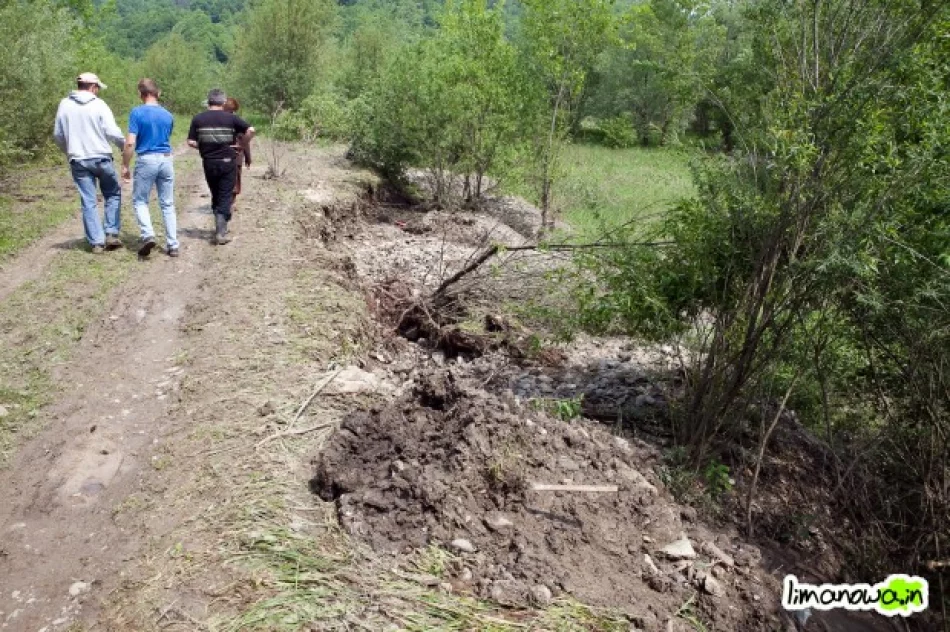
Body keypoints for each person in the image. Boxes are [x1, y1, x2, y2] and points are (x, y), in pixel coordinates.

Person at [53, 72, 126, 254]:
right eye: (98, 88)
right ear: (93, 87)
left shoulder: (65, 104)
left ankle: (96, 243)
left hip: (78, 159)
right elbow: (112, 131)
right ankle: (110, 233)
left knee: (88, 200)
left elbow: (58, 135)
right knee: (112, 194)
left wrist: (68, 151)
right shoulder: (99, 104)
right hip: (101, 156)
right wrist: (124, 147)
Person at [187, 89, 255, 245]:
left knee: (216, 193)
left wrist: (203, 148)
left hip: (208, 162)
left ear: (208, 101)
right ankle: (221, 231)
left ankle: (220, 223)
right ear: (223, 102)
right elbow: (251, 130)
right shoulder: (231, 118)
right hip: (227, 161)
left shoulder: (198, 119)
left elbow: (190, 142)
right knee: (225, 195)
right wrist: (242, 145)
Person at [121, 78, 178, 258]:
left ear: (140, 94)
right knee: (167, 203)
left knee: (140, 200)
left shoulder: (136, 113)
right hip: (166, 159)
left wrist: (124, 165)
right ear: (158, 93)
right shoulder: (168, 115)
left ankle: (148, 235)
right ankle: (173, 244)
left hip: (146, 159)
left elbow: (130, 143)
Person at [222, 97, 252, 211]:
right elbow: (246, 140)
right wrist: (248, 158)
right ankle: (230, 202)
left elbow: (245, 140)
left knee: (230, 179)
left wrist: (248, 158)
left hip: (228, 155)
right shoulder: (239, 122)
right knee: (234, 179)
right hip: (235, 155)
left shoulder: (225, 121)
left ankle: (229, 202)